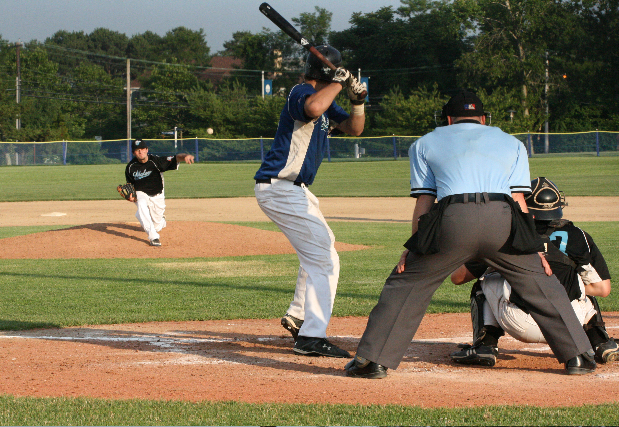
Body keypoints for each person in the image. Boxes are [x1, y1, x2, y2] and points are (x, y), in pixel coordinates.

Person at [344, 90, 596, 379]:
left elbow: (425, 202)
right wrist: (536, 250)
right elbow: (519, 201)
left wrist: (415, 248)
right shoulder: (511, 142)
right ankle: (579, 354)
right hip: (502, 219)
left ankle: (373, 361)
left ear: (448, 119)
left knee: (407, 283)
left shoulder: (425, 143)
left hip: (454, 219)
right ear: (484, 118)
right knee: (541, 282)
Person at [253, 45, 366, 358]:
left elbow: (355, 129)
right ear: (331, 72)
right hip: (280, 187)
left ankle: (299, 315)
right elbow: (314, 108)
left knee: (323, 247)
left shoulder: (326, 100)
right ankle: (311, 337)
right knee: (325, 260)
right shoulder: (300, 91)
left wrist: (358, 103)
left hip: (295, 190)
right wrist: (340, 83)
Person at [450, 177, 617, 366]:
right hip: (569, 323)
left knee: (483, 282)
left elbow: (457, 278)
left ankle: (485, 346)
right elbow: (603, 289)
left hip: (520, 323)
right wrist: (563, 285)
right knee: (581, 286)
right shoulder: (578, 235)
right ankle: (600, 343)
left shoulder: (503, 233)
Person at [123, 138, 194, 246]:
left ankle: (155, 220)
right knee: (141, 204)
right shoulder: (130, 167)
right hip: (141, 193)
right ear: (133, 153)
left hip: (157, 195)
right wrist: (132, 196)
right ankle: (153, 237)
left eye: (142, 149)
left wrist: (185, 157)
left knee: (157, 226)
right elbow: (130, 186)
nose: (140, 152)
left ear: (147, 149)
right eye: (137, 150)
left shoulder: (156, 161)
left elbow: (176, 158)